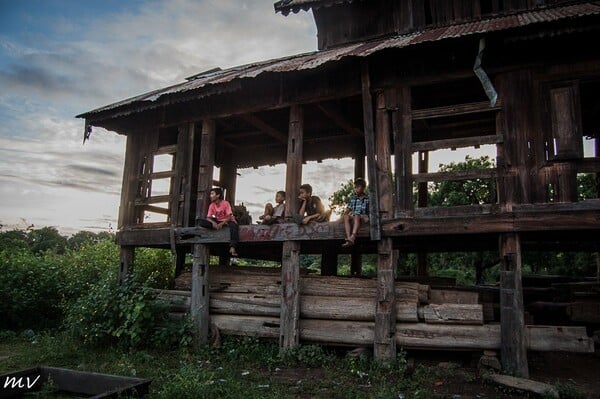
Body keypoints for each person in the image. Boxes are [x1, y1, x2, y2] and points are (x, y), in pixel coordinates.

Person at [196, 187, 239, 257]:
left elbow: (229, 216)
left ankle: (232, 247)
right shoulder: (212, 205)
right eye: (210, 194)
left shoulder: (225, 203)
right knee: (200, 222)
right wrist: (214, 223)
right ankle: (215, 227)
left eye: (212, 194)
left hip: (227, 220)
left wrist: (222, 224)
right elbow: (208, 217)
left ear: (218, 195)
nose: (210, 196)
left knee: (234, 226)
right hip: (218, 221)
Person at [342, 178, 369, 248]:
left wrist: (367, 216)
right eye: (355, 187)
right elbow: (347, 210)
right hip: (354, 216)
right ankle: (349, 238)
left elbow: (370, 211)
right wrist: (344, 215)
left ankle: (353, 236)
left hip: (362, 217)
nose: (356, 189)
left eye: (358, 187)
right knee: (346, 217)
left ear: (363, 188)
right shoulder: (353, 198)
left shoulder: (367, 199)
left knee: (357, 215)